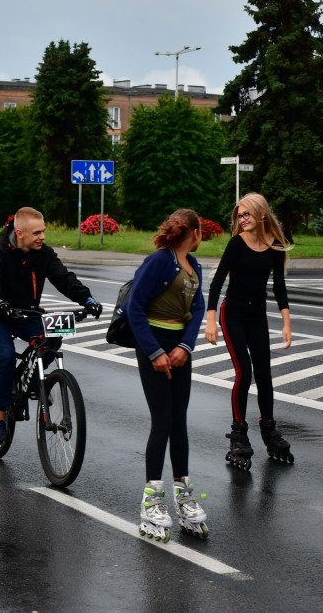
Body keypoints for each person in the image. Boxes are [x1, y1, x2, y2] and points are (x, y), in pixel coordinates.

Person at [0, 207, 101, 446]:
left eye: (43, 231)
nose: (42, 237)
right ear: (20, 233)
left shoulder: (43, 254)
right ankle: (0, 419)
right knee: (5, 357)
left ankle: (35, 380)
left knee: (52, 338)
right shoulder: (0, 252)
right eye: (37, 233)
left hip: (28, 314)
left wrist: (87, 299)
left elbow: (64, 278)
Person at [125, 208, 208, 542]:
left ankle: (184, 496)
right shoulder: (159, 260)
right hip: (155, 347)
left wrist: (186, 346)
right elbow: (134, 307)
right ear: (195, 232)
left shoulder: (193, 265)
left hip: (179, 351)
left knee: (179, 422)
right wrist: (154, 352)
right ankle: (151, 502)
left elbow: (198, 306)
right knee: (162, 422)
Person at [204, 193, 293, 468]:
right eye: (239, 215)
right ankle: (238, 434)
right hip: (232, 313)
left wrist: (287, 322)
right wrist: (210, 320)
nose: (242, 219)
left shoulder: (275, 246)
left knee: (264, 374)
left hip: (257, 315)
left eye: (246, 215)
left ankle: (269, 430)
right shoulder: (236, 244)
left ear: (262, 215)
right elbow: (217, 282)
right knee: (244, 372)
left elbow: (279, 286)